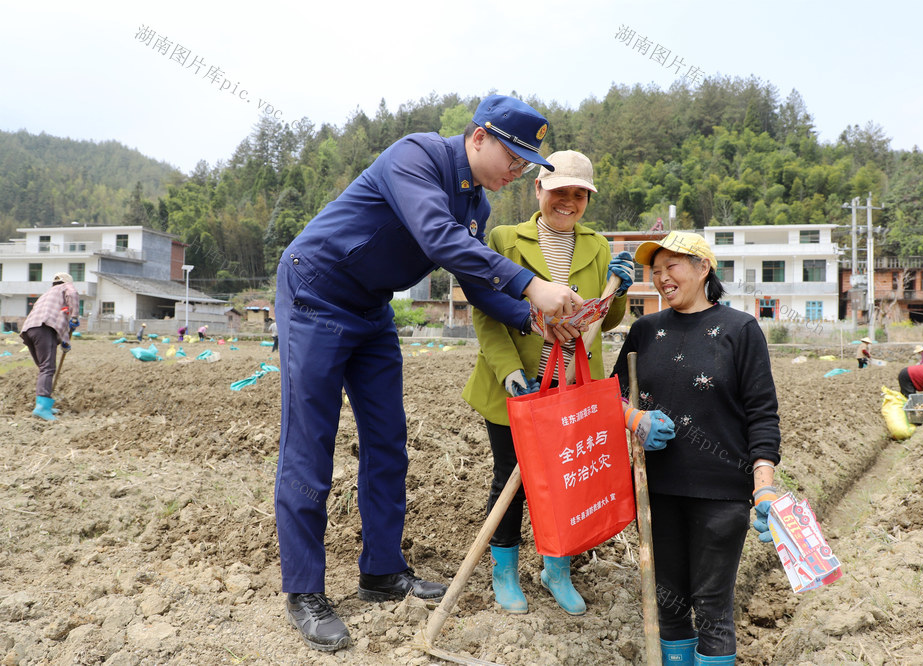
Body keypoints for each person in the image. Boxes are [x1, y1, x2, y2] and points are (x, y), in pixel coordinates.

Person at [274, 95, 585, 652]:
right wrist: (531, 283)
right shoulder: (414, 157)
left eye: (525, 165)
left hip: (371, 310)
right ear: (478, 137)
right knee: (310, 444)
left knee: (389, 441)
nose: (517, 171)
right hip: (315, 295)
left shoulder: (477, 207)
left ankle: (382, 573)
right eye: (512, 157)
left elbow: (474, 281)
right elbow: (437, 237)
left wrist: (534, 319)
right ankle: (303, 590)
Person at [462, 150, 672, 616]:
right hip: (515, 385)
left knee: (564, 481)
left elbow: (604, 318)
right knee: (510, 481)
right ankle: (504, 572)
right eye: (560, 191)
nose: (568, 201)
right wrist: (511, 374)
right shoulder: (504, 239)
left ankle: (557, 569)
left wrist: (619, 288)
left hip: (572, 387)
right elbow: (487, 312)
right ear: (538, 189)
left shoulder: (596, 246)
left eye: (579, 194)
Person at [611, 231, 781, 666]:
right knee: (667, 606)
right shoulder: (644, 330)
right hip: (656, 490)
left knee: (711, 609)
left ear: (704, 268)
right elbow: (612, 395)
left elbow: (762, 414)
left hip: (721, 493)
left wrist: (763, 487)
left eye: (673, 266)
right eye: (656, 270)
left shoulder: (739, 329)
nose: (662, 278)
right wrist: (634, 419)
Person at [20, 272, 79, 421]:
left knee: (44, 368)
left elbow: (58, 321)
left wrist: (65, 341)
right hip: (43, 328)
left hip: (29, 330)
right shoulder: (67, 287)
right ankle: (42, 407)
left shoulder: (47, 295)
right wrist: (75, 316)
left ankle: (44, 404)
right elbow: (72, 294)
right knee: (48, 367)